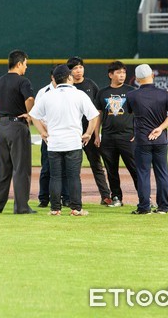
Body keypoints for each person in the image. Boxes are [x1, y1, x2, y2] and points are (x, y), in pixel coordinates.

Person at [29, 64, 99, 216]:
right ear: (69, 77)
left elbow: (33, 115)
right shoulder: (79, 95)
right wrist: (88, 133)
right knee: (73, 176)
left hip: (54, 143)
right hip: (73, 142)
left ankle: (55, 209)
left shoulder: (48, 95)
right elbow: (94, 116)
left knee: (55, 176)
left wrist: (42, 132)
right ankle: (76, 209)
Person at [0, 49, 36, 214]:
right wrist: (31, 115)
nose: (26, 67)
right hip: (18, 127)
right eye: (25, 64)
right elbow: (30, 99)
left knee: (1, 168)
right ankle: (22, 207)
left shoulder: (0, 81)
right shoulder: (23, 81)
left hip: (2, 128)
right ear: (19, 64)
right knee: (21, 168)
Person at [126, 64, 168, 215]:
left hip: (142, 139)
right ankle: (163, 207)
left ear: (136, 79)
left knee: (143, 174)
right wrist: (160, 128)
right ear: (152, 75)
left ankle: (144, 207)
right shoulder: (163, 94)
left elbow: (130, 112)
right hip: (160, 139)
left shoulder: (132, 95)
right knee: (162, 173)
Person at [66, 56, 112, 206]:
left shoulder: (90, 85)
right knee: (70, 166)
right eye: (75, 68)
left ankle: (105, 196)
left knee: (96, 164)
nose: (78, 70)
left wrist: (95, 133)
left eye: (80, 67)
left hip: (90, 132)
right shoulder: (67, 87)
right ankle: (68, 198)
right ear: (69, 71)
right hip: (72, 132)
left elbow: (98, 109)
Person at [94, 61, 139, 207]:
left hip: (127, 136)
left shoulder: (132, 91)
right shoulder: (102, 92)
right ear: (110, 75)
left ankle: (144, 198)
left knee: (135, 168)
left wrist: (136, 132)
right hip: (108, 137)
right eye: (118, 72)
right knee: (111, 170)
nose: (122, 75)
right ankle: (116, 197)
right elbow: (98, 115)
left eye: (124, 72)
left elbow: (138, 113)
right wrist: (96, 135)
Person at [35, 67, 71, 208]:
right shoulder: (43, 92)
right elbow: (37, 115)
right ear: (52, 77)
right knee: (47, 168)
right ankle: (44, 198)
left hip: (65, 135)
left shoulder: (70, 92)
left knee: (67, 169)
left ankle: (66, 198)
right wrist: (44, 132)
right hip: (49, 137)